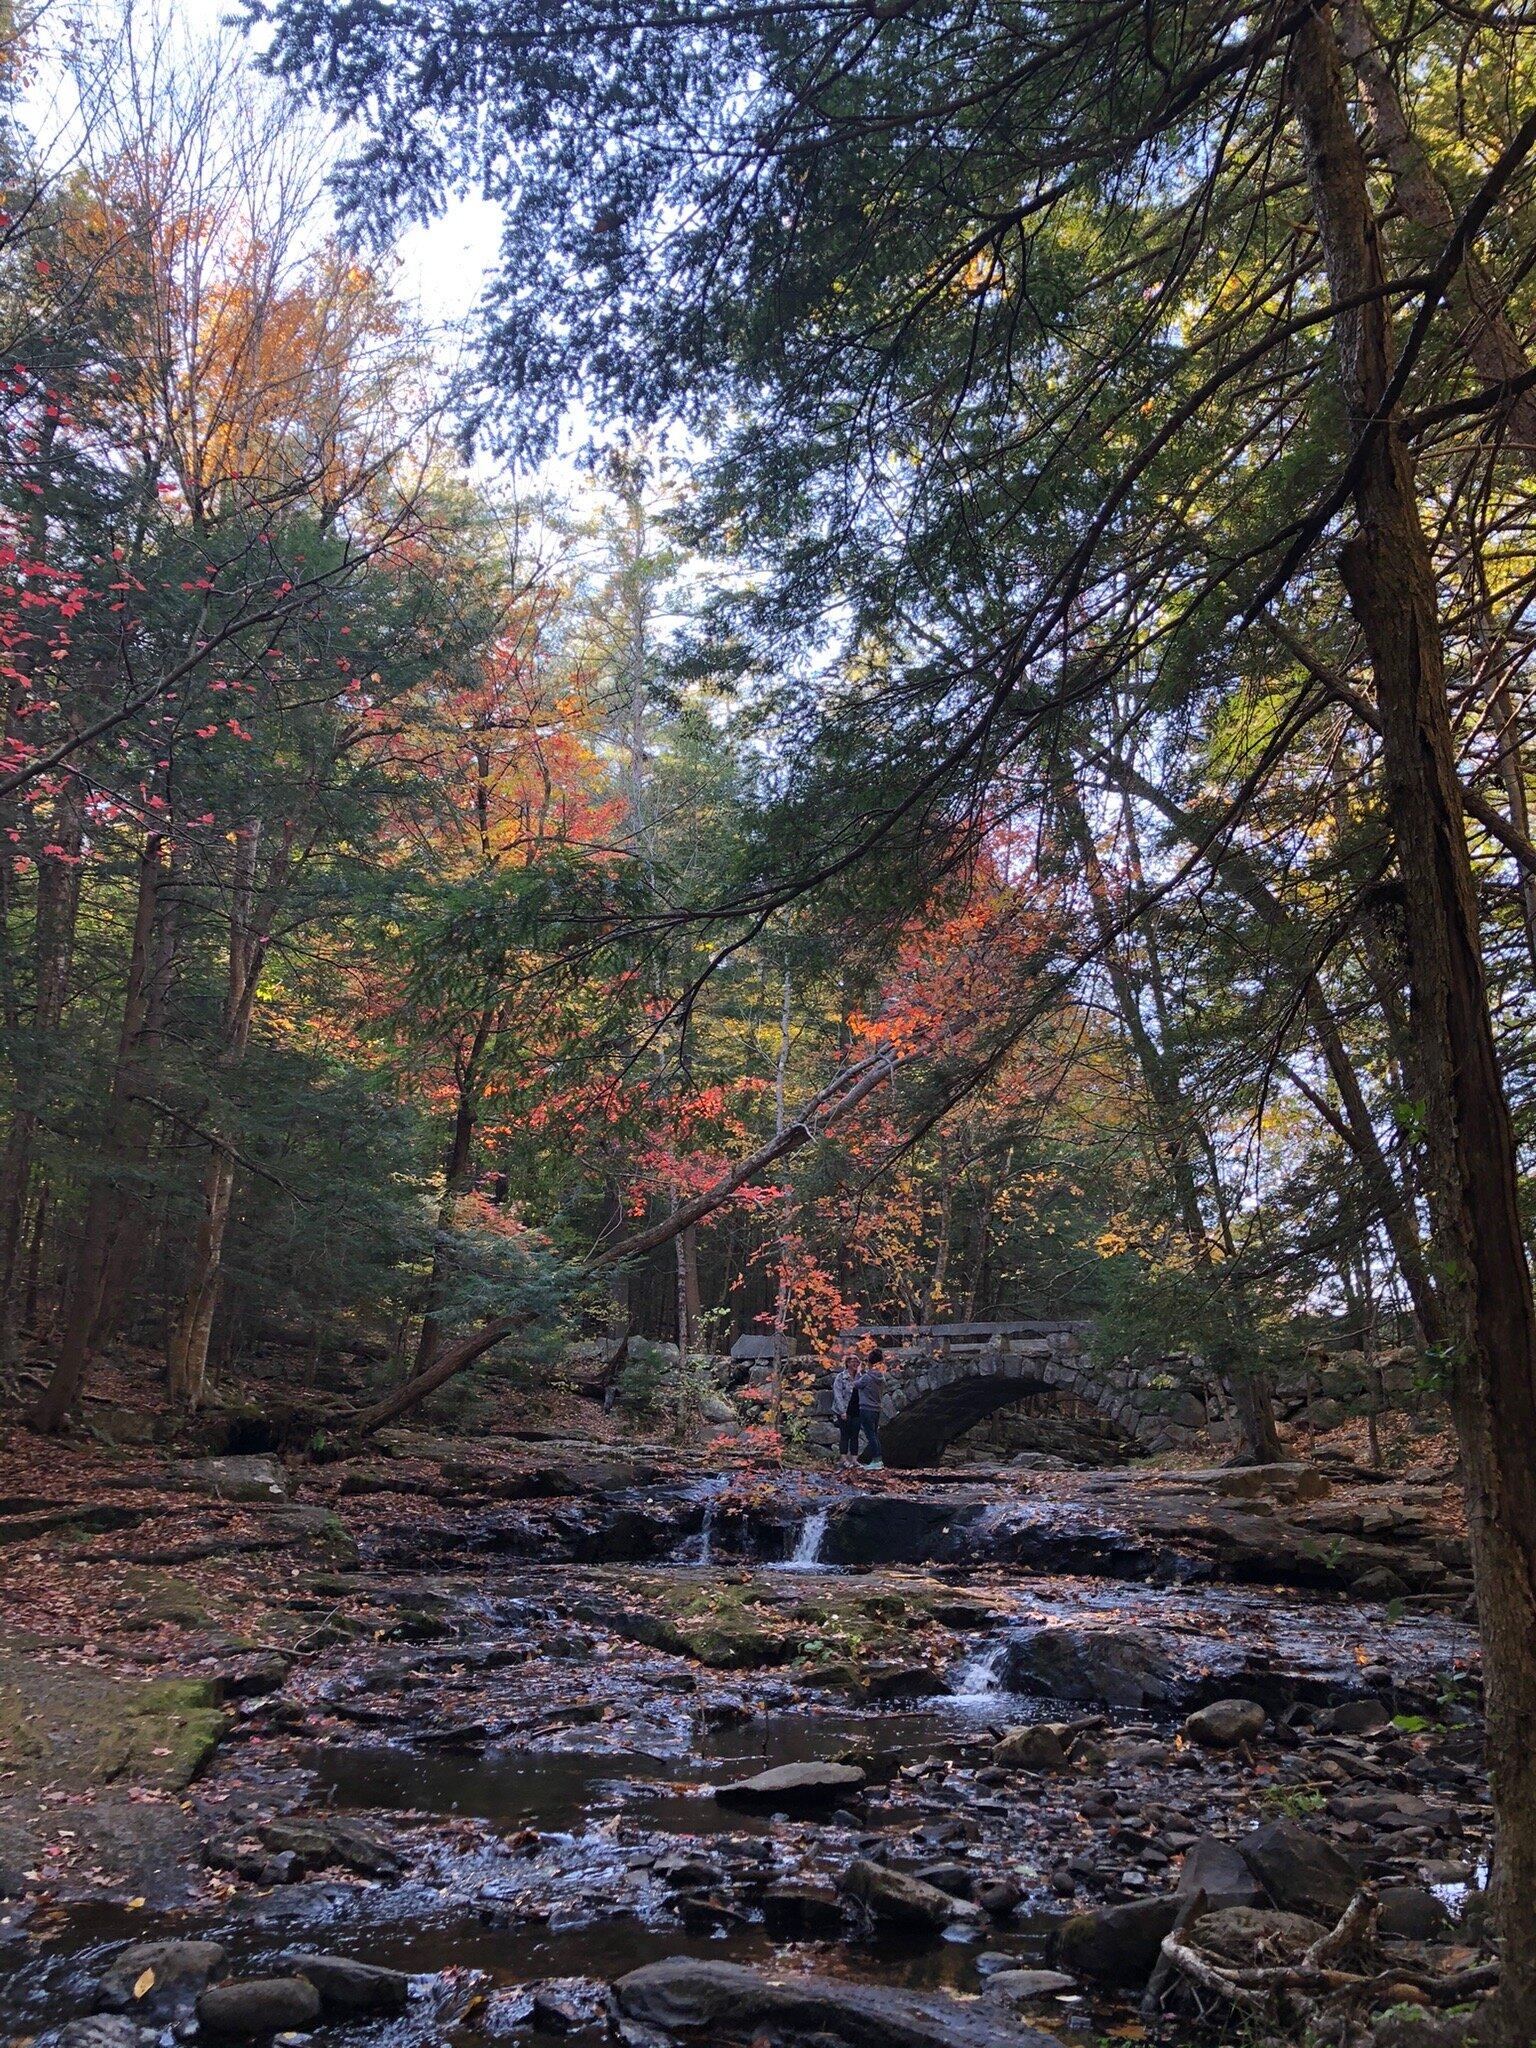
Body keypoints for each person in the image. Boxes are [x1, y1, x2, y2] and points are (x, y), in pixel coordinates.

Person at [852, 1348, 885, 1468]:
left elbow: (856, 1384)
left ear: (870, 1363)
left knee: (870, 1435)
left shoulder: (867, 1377)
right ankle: (878, 1459)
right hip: (877, 1409)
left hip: (866, 1409)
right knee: (874, 1434)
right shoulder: (881, 1377)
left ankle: (877, 1460)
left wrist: (858, 1373)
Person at [831, 1359, 859, 1460]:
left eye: (857, 1362)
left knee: (855, 1435)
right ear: (848, 1363)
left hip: (856, 1411)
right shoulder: (841, 1377)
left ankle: (854, 1460)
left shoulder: (860, 1377)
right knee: (845, 1435)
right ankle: (844, 1459)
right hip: (844, 1410)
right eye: (853, 1362)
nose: (856, 1364)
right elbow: (837, 1395)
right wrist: (842, 1411)